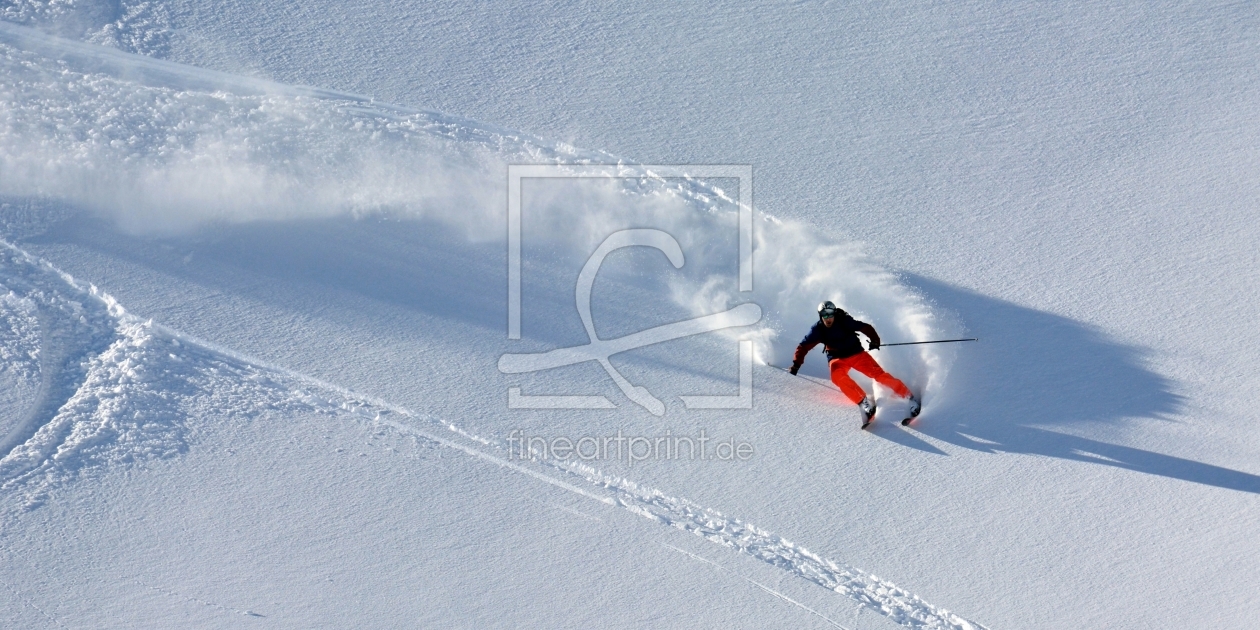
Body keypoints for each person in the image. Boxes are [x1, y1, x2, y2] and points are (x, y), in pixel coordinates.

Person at [789, 301, 920, 424]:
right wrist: (796, 364)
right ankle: (864, 403)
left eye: (830, 314)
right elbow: (803, 346)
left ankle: (909, 397)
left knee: (879, 375)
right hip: (837, 358)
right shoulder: (818, 329)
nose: (828, 318)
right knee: (837, 377)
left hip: (856, 353)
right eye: (824, 315)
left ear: (834, 313)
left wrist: (874, 340)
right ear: (820, 315)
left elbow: (865, 327)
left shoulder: (844, 321)